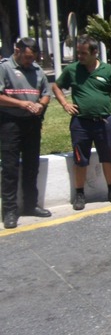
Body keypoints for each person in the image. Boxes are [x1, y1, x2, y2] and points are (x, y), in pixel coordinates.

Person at [51, 35, 111, 211]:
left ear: (95, 52)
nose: (80, 56)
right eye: (78, 53)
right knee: (80, 159)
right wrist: (65, 104)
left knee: (108, 157)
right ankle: (79, 194)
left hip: (104, 122)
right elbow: (56, 86)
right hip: (80, 123)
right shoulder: (72, 70)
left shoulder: (108, 70)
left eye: (83, 53)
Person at [0, 38, 52, 229]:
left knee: (32, 165)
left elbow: (47, 92)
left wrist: (41, 104)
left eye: (33, 58)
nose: (29, 62)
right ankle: (10, 211)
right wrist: (21, 103)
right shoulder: (4, 68)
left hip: (32, 123)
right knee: (10, 168)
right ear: (17, 51)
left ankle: (31, 205)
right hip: (10, 123)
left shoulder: (37, 70)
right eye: (27, 57)